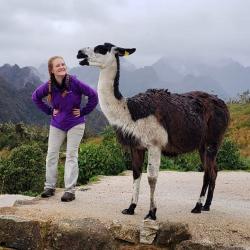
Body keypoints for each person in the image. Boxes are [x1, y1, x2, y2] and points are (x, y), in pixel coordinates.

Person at [32, 56, 98, 202]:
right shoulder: (49, 85)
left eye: (63, 64)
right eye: (58, 66)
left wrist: (83, 111)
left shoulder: (74, 82)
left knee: (71, 155)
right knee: (51, 154)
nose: (62, 67)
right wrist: (49, 111)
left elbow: (93, 95)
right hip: (57, 124)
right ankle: (49, 187)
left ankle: (70, 191)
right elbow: (35, 97)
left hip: (76, 123)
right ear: (52, 70)